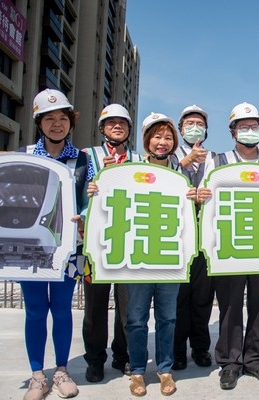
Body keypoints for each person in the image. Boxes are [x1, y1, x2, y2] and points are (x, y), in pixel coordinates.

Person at [89, 112, 195, 396]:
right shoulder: (130, 168)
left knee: (167, 318)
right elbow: (112, 203)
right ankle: (137, 371)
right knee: (135, 318)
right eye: (157, 136)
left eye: (168, 137)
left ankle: (164, 368)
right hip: (137, 257)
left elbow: (190, 213)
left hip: (169, 256)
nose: (162, 142)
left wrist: (199, 198)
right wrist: (96, 189)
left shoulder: (181, 174)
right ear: (147, 140)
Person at [196, 102, 259, 390]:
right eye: (244, 126)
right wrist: (201, 195)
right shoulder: (217, 161)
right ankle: (229, 362)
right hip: (229, 246)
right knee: (229, 306)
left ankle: (255, 360)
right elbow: (204, 198)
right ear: (232, 131)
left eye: (255, 127)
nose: (250, 131)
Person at [20, 88, 94, 400]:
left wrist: (84, 217)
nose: (56, 124)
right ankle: (38, 376)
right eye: (49, 119)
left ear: (70, 123)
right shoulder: (24, 156)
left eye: (62, 118)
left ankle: (62, 371)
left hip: (70, 251)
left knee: (63, 310)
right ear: (39, 123)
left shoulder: (84, 160)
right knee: (36, 311)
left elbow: (92, 198)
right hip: (30, 250)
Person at [81, 104, 142, 382]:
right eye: (111, 123)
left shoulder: (138, 159)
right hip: (94, 246)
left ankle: (123, 355)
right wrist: (95, 180)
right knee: (94, 307)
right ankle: (95, 359)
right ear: (102, 128)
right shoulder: (87, 156)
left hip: (128, 242)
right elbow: (75, 194)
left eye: (123, 123)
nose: (117, 126)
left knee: (128, 307)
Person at [172, 105, 216, 370]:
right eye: (189, 123)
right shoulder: (170, 155)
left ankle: (200, 348)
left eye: (199, 123)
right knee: (178, 299)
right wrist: (184, 164)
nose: (194, 127)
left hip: (205, 239)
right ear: (180, 129)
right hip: (176, 239)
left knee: (202, 298)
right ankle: (177, 351)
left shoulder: (214, 159)